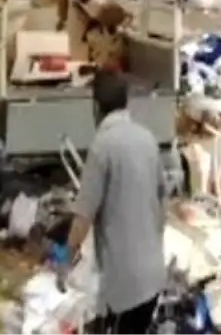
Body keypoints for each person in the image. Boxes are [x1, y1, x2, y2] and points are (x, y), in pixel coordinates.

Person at [64, 71, 166, 334]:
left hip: (125, 287)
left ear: (96, 107)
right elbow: (161, 201)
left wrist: (68, 257)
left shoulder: (102, 146)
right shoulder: (148, 139)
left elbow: (83, 216)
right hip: (154, 275)